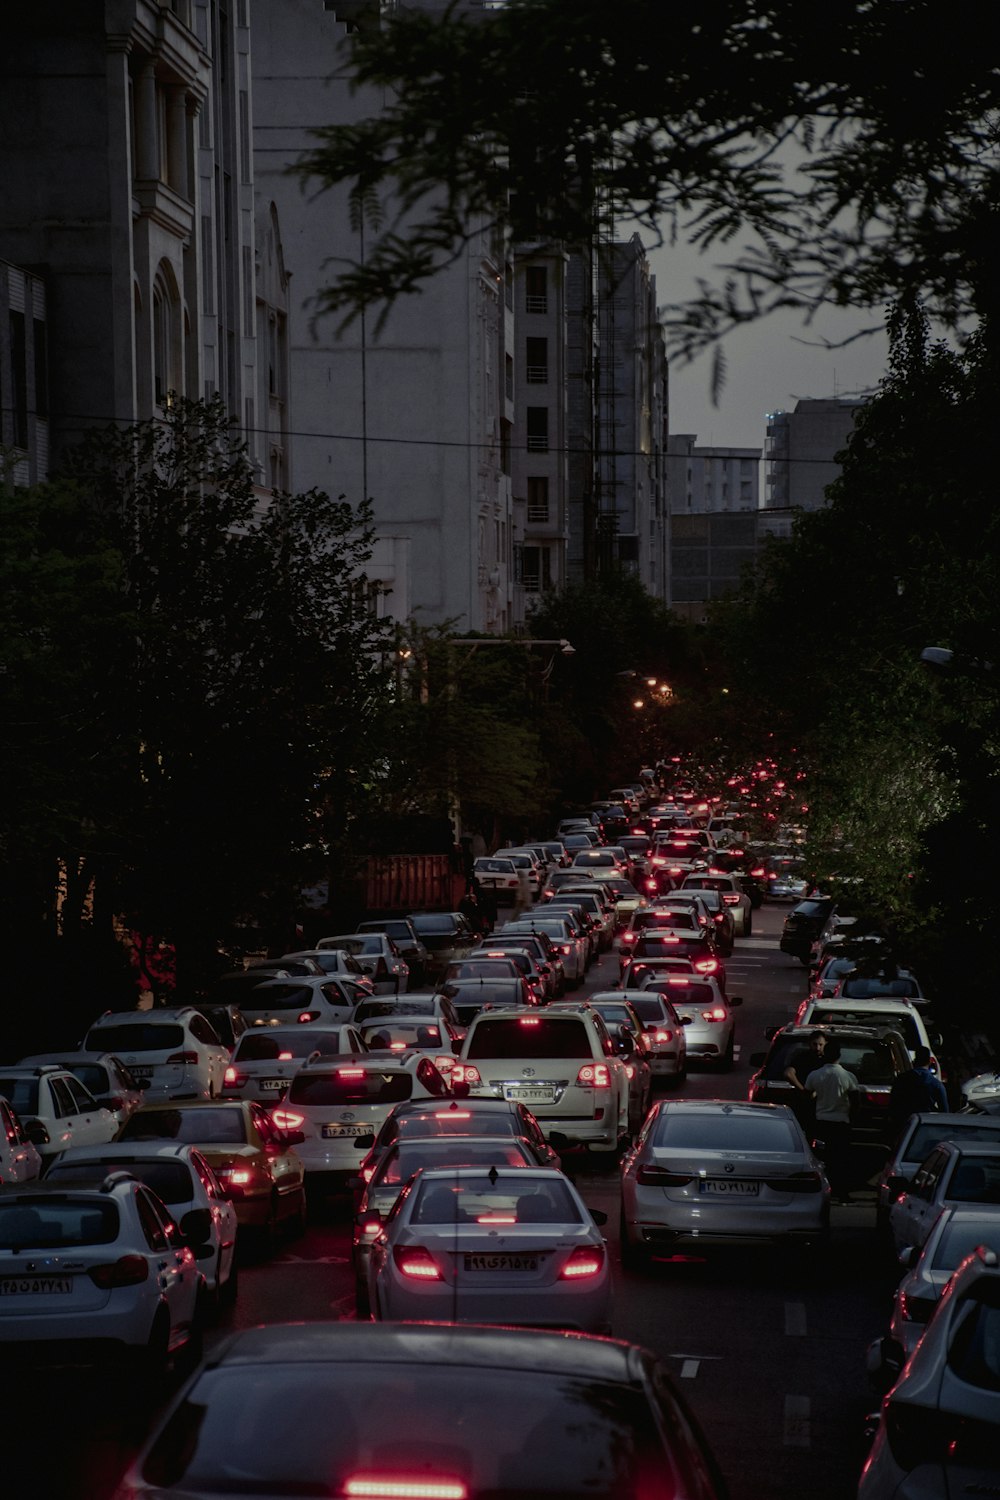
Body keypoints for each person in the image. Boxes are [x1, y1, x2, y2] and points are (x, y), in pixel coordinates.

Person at [805, 1039, 860, 1203]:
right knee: (841, 1160)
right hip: (841, 1124)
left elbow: (807, 1097)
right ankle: (841, 1192)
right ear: (839, 1056)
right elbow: (856, 1101)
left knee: (821, 1159)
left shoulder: (815, 1075)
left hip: (821, 1123)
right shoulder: (847, 1076)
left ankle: (820, 1190)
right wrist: (853, 1118)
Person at [887, 1045, 949, 1137]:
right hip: (925, 1127)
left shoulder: (901, 1079)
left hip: (903, 1125)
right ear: (929, 1061)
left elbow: (893, 1103)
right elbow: (944, 1112)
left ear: (915, 1061)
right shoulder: (936, 1084)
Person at [778, 1031, 827, 1133]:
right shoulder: (802, 1058)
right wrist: (803, 1090)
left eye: (820, 1045)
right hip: (806, 1105)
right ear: (809, 1043)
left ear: (825, 1044)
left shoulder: (827, 1060)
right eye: (815, 1044)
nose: (817, 1048)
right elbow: (788, 1073)